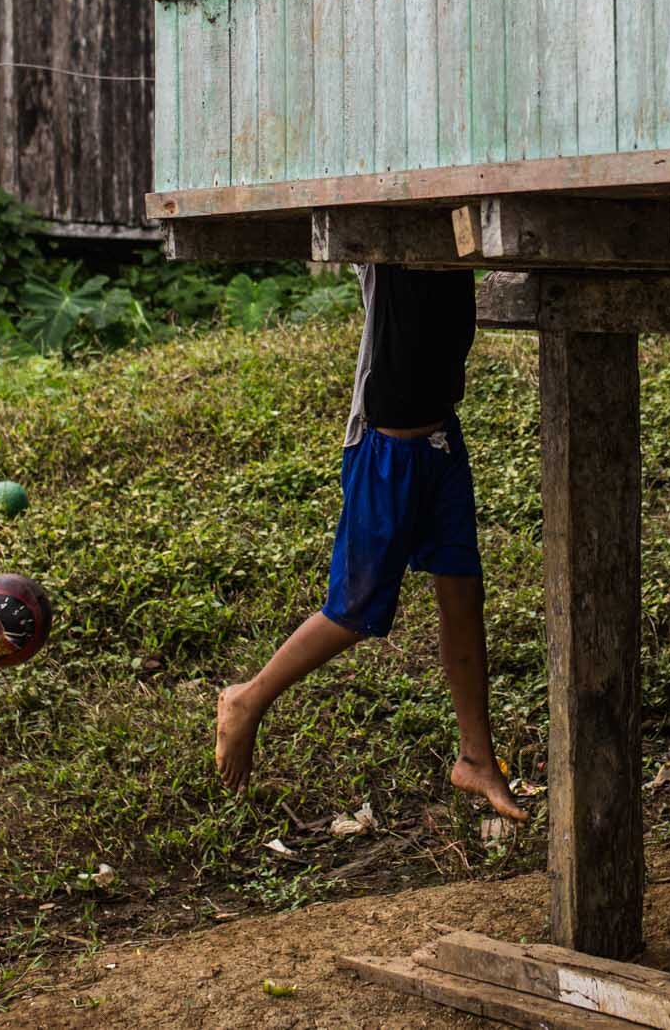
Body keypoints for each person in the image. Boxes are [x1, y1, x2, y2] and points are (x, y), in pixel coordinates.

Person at [214, 264, 527, 822]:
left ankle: (476, 757)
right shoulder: (386, 239)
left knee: (462, 592)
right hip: (387, 448)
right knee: (356, 609)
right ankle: (249, 698)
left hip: (438, 440)